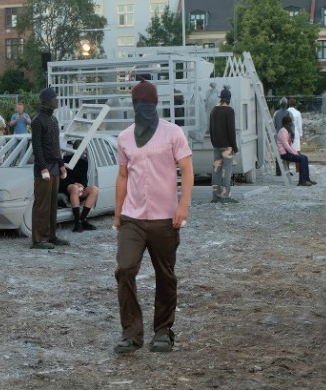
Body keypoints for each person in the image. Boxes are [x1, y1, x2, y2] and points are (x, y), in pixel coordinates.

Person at [113, 80, 194, 354]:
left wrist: (183, 205)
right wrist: (117, 212)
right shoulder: (124, 138)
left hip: (165, 218)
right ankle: (131, 334)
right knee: (125, 269)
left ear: (156, 104)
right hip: (132, 217)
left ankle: (163, 331)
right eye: (138, 104)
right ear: (133, 105)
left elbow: (188, 169)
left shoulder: (173, 133)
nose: (143, 108)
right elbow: (123, 176)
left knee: (165, 275)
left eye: (147, 103)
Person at [30, 87, 69, 250]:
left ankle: (51, 236)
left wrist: (61, 164)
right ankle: (39, 239)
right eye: (54, 98)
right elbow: (37, 146)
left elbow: (55, 145)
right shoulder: (38, 120)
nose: (56, 100)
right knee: (42, 205)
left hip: (54, 167)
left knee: (53, 204)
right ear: (47, 100)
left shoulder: (53, 120)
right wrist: (43, 167)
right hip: (44, 168)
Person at [209, 87, 238, 204]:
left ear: (221, 98)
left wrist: (213, 142)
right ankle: (225, 196)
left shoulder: (213, 110)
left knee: (216, 170)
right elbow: (231, 131)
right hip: (227, 146)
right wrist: (234, 147)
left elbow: (210, 129)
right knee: (226, 171)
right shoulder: (229, 111)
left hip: (216, 145)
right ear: (229, 99)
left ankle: (215, 196)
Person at [59, 152, 99, 232]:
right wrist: (74, 183)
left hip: (79, 186)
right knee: (74, 188)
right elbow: (63, 178)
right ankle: (77, 221)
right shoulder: (65, 160)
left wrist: (82, 185)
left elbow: (85, 178)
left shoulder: (84, 162)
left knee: (94, 189)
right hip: (67, 186)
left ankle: (83, 220)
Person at [275, 116, 316, 187]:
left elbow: (289, 146)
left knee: (305, 157)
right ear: (286, 124)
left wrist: (295, 152)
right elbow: (286, 146)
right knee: (302, 159)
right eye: (289, 123)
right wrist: (295, 153)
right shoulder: (283, 131)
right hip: (284, 154)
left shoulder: (287, 130)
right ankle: (302, 181)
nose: (291, 125)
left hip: (287, 152)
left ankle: (306, 179)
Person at [272, 97, 293, 176]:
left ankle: (278, 171)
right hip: (286, 135)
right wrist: (292, 136)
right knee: (286, 152)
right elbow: (292, 125)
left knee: (278, 153)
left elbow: (274, 124)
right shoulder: (289, 113)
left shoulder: (276, 113)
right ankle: (286, 170)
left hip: (278, 135)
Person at [287, 98, 303, 174]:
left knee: (287, 150)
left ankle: (287, 169)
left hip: (287, 132)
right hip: (295, 132)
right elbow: (299, 125)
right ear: (295, 104)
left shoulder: (286, 112)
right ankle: (298, 169)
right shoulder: (297, 113)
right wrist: (301, 135)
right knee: (297, 151)